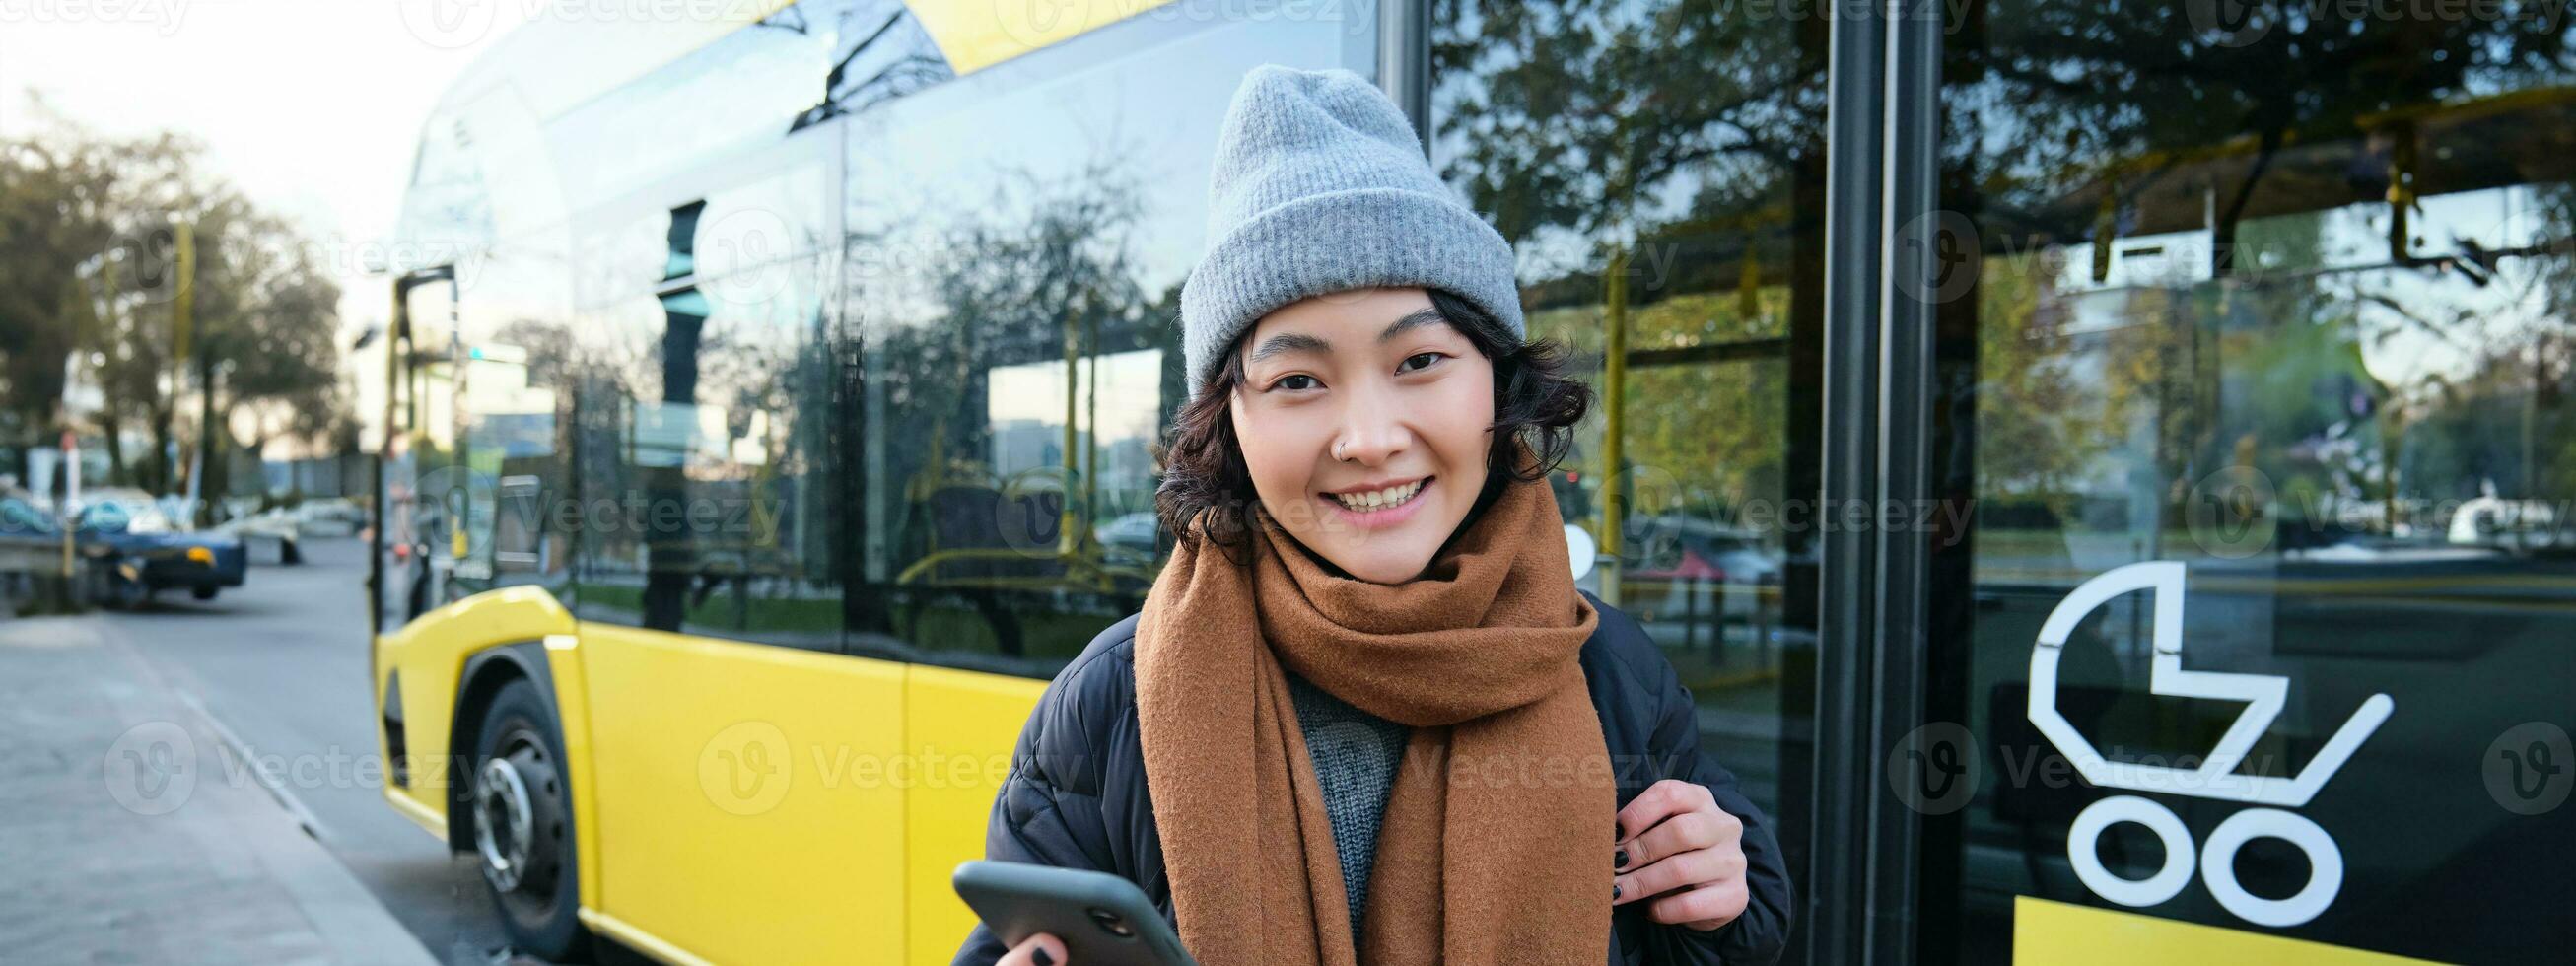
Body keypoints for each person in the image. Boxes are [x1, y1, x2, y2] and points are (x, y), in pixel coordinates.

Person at [955, 65, 1792, 966]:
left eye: (1419, 360)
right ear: (1228, 425)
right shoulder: (1110, 703)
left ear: (1499, 384)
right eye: (1297, 381)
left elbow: (1705, 935)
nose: (1366, 438)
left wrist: (1721, 896)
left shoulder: (1614, 675)